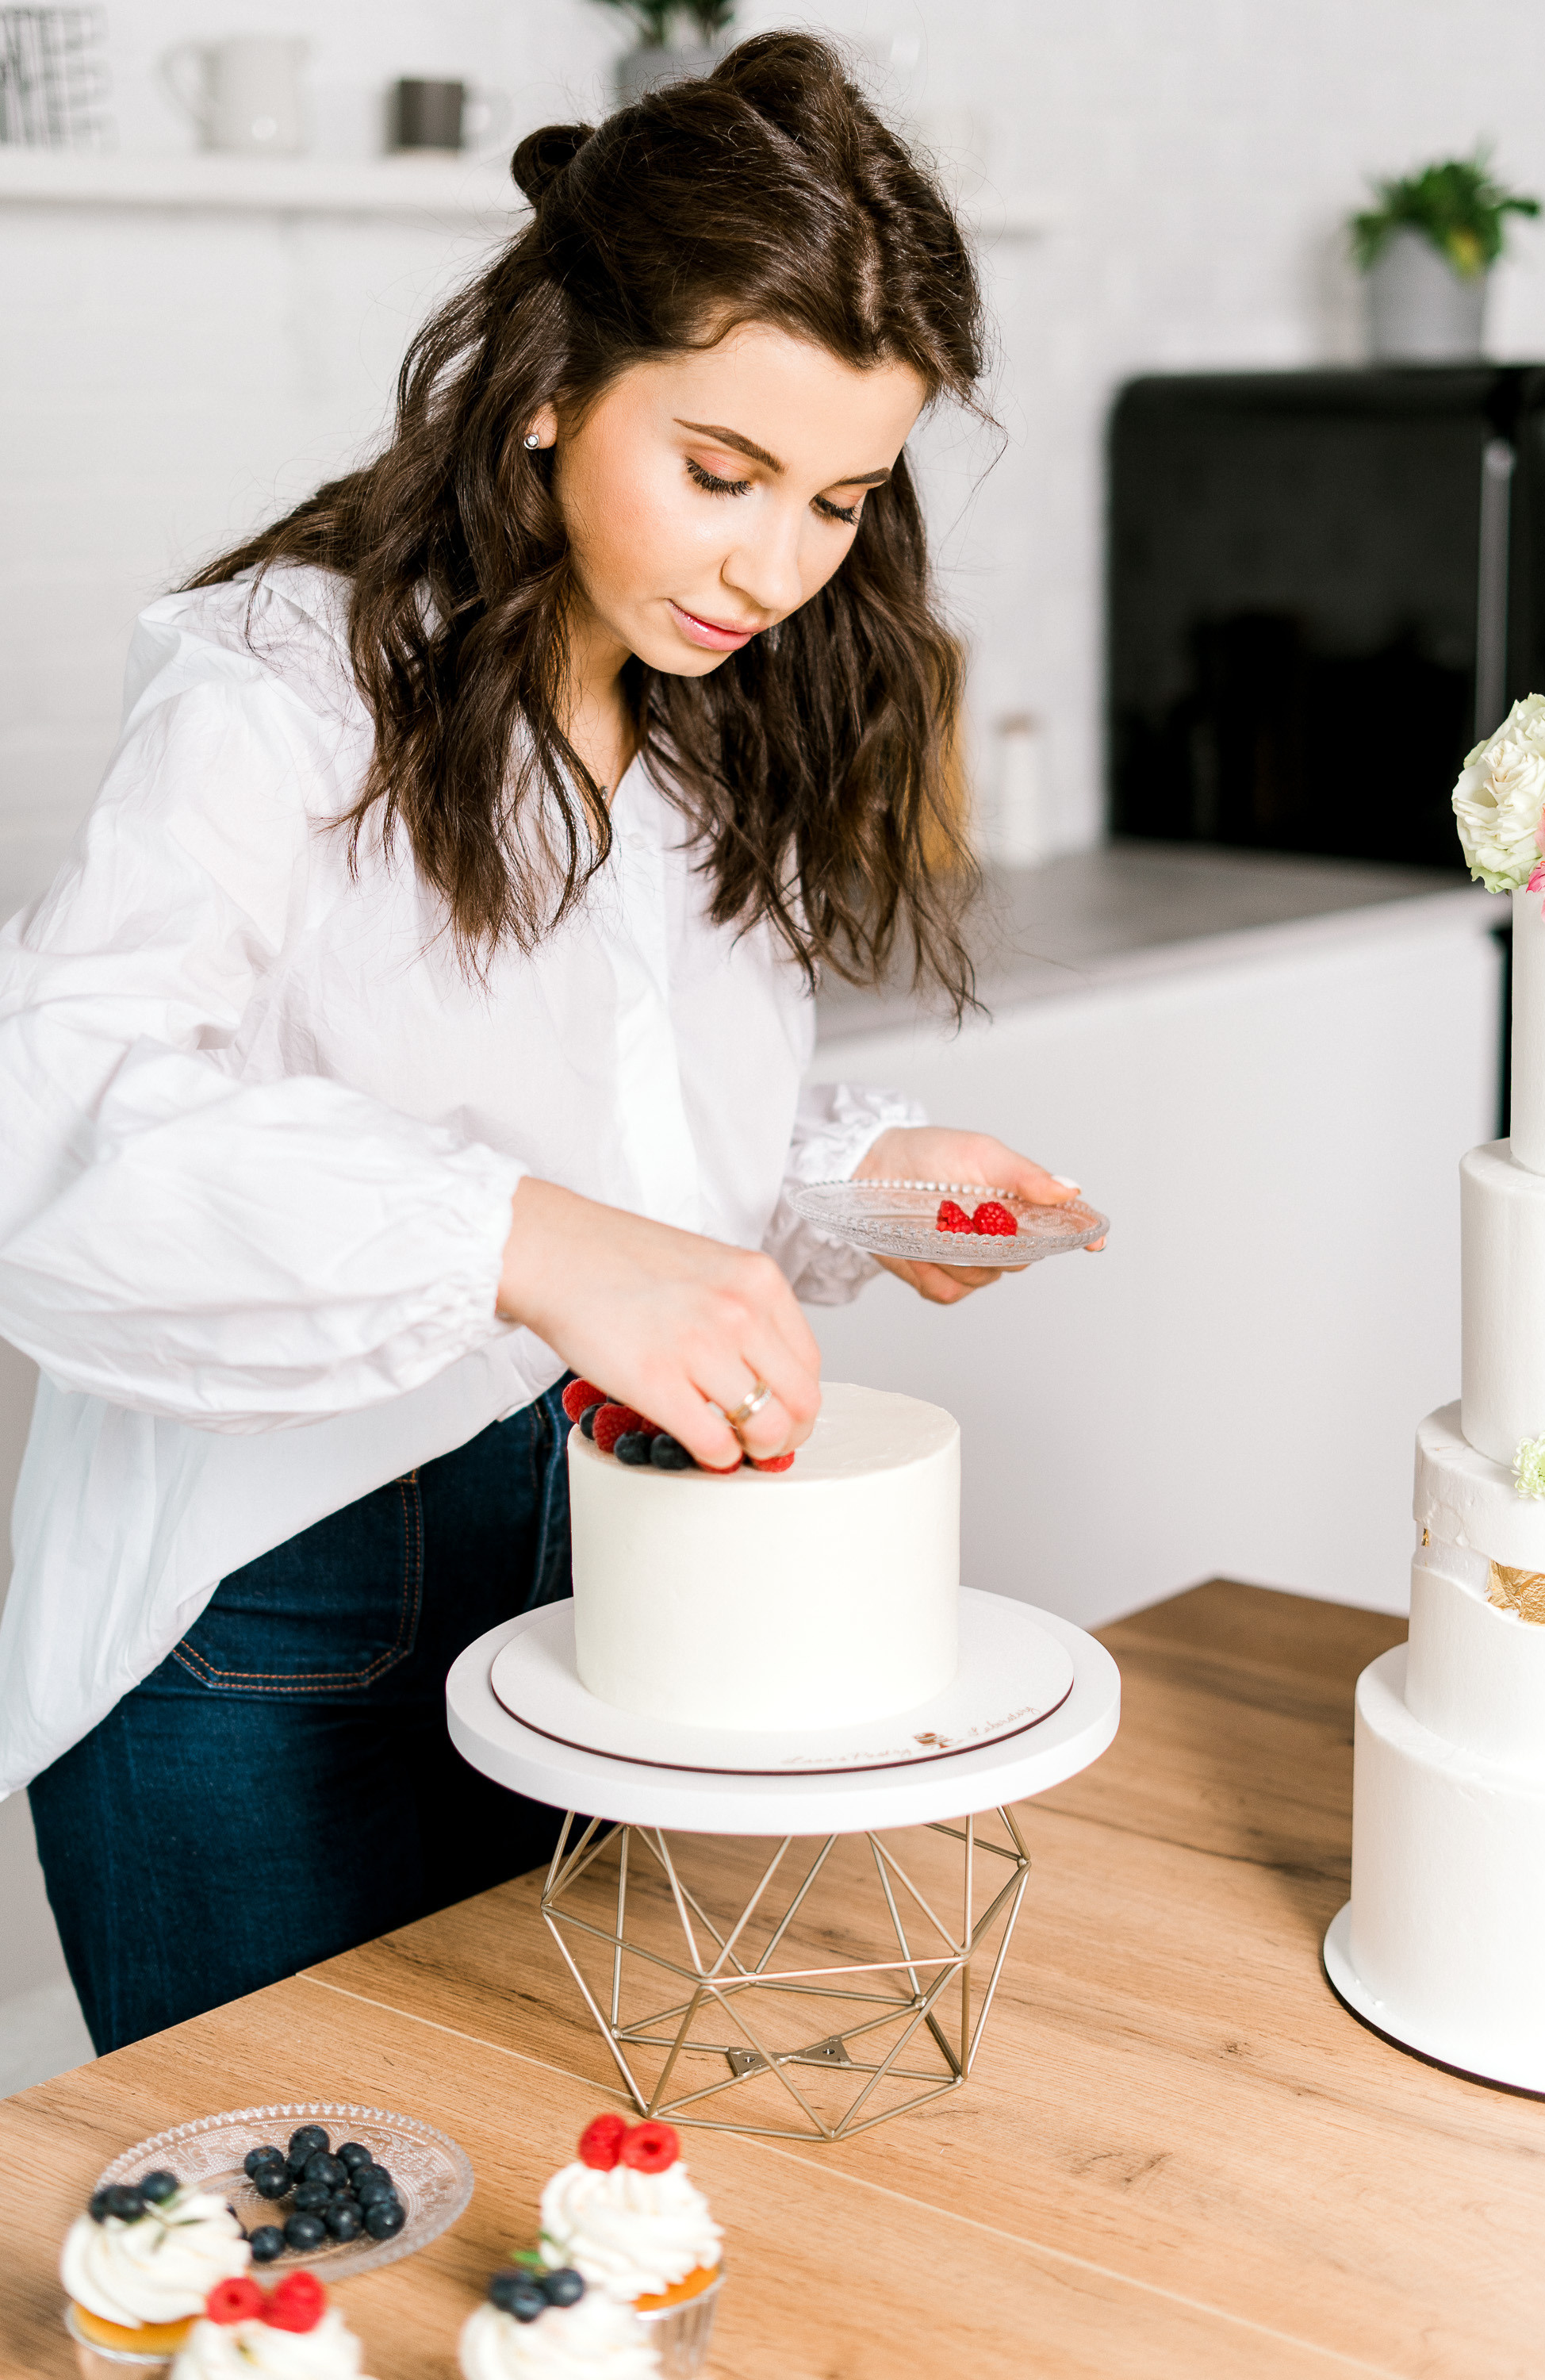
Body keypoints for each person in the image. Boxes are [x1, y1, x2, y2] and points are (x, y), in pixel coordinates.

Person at [0, 33, 1099, 2056]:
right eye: (720, 472)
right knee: (286, 2265)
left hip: (577, 1552)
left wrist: (850, 1182)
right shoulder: (283, 686)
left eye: (841, 498)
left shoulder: (692, 717)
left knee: (533, 2224)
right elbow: (60, 1131)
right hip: (271, 1613)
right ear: (544, 393)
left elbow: (631, 1138)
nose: (778, 567)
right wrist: (524, 1240)